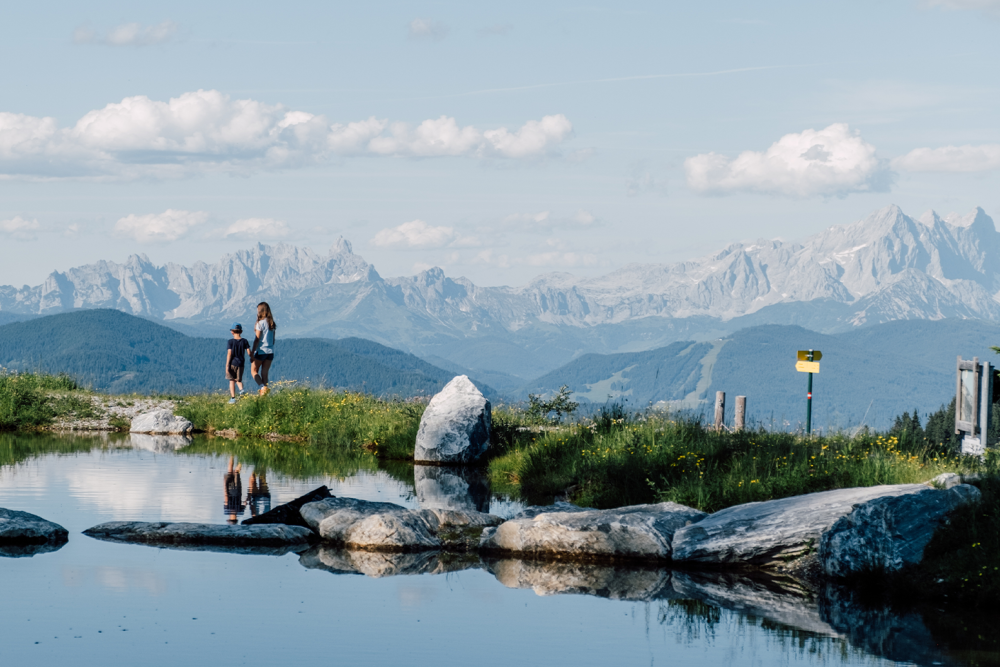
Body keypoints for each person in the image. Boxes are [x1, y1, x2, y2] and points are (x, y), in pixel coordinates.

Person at [250, 301, 276, 395]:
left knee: (253, 371)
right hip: (270, 352)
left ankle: (262, 387)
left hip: (261, 351)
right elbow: (273, 340)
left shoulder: (260, 324)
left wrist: (252, 352)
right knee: (265, 373)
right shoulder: (272, 324)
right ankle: (264, 396)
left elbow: (257, 339)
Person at [225, 323, 251, 404]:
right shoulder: (244, 341)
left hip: (232, 363)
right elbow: (249, 352)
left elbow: (229, 353)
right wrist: (253, 358)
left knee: (232, 380)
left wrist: (227, 365)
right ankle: (241, 390)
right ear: (241, 331)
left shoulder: (230, 342)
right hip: (241, 363)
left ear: (232, 332)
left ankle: (233, 398)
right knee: (238, 379)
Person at [223, 456, 245, 524]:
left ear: (236, 519)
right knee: (230, 471)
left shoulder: (240, 511)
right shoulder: (227, 510)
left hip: (238, 490)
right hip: (229, 489)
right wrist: (224, 483)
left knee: (236, 472)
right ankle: (232, 453)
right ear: (229, 519)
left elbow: (245, 502)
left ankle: (242, 458)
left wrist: (248, 497)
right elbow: (226, 496)